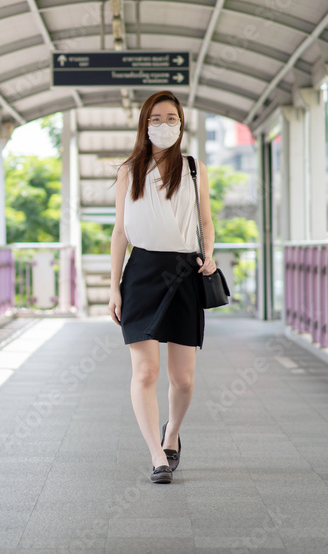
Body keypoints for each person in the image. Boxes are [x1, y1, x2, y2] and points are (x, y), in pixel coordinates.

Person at [107, 89, 216, 484]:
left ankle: (172, 435)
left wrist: (211, 253)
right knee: (146, 372)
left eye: (171, 118)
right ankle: (156, 456)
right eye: (155, 119)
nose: (164, 125)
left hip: (186, 271)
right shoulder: (129, 171)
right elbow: (120, 231)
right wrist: (114, 285)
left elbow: (205, 222)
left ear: (182, 123)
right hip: (141, 273)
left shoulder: (194, 169)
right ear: (144, 124)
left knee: (183, 379)